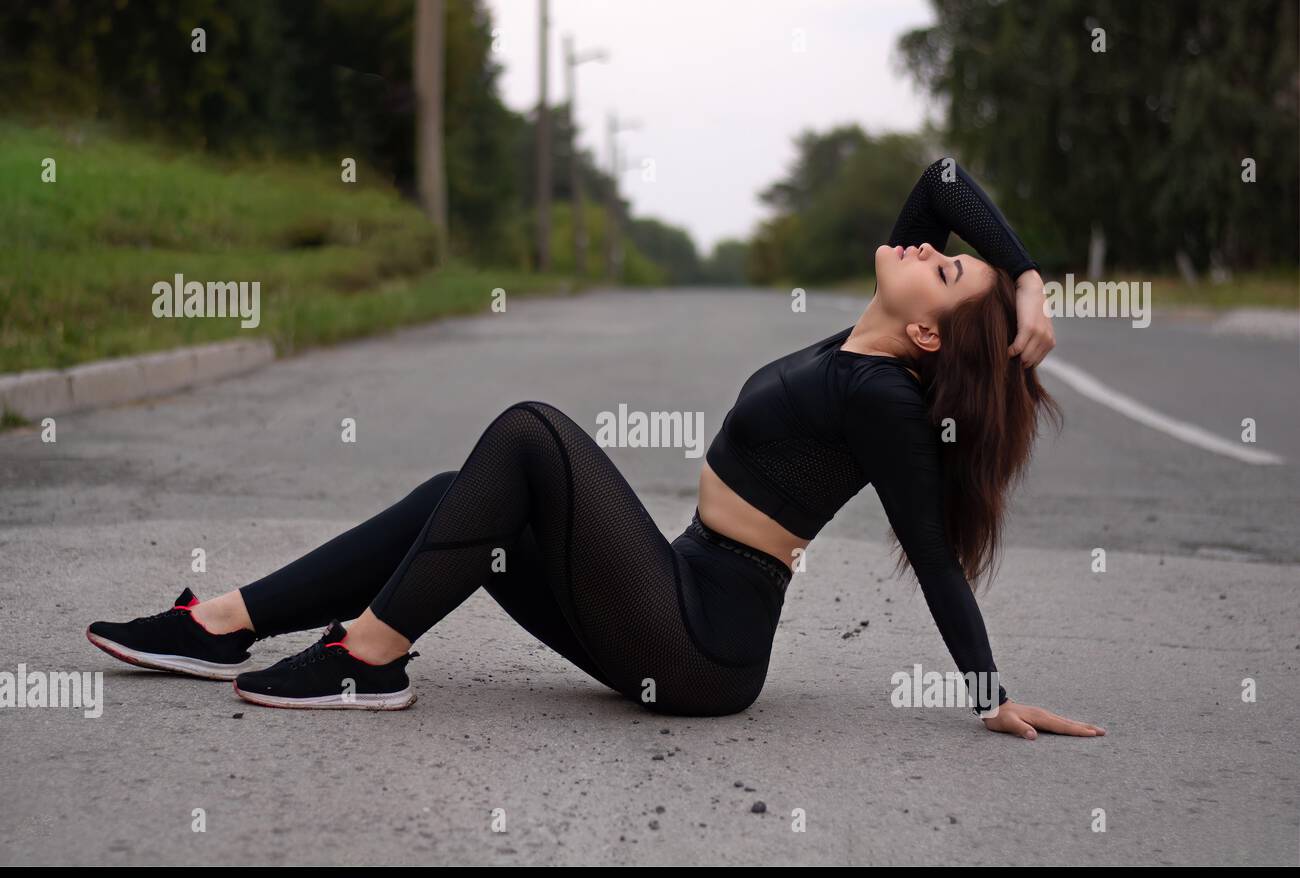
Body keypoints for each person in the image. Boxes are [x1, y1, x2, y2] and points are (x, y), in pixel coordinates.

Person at [87, 158, 1104, 740]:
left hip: (702, 647)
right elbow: (940, 180)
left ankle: (368, 656)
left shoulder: (883, 395)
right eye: (942, 250)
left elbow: (930, 550)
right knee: (458, 494)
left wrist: (988, 694)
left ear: (929, 334)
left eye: (946, 269)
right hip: (670, 591)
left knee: (533, 433)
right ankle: (222, 623)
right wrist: (1020, 275)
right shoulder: (867, 334)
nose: (928, 244)